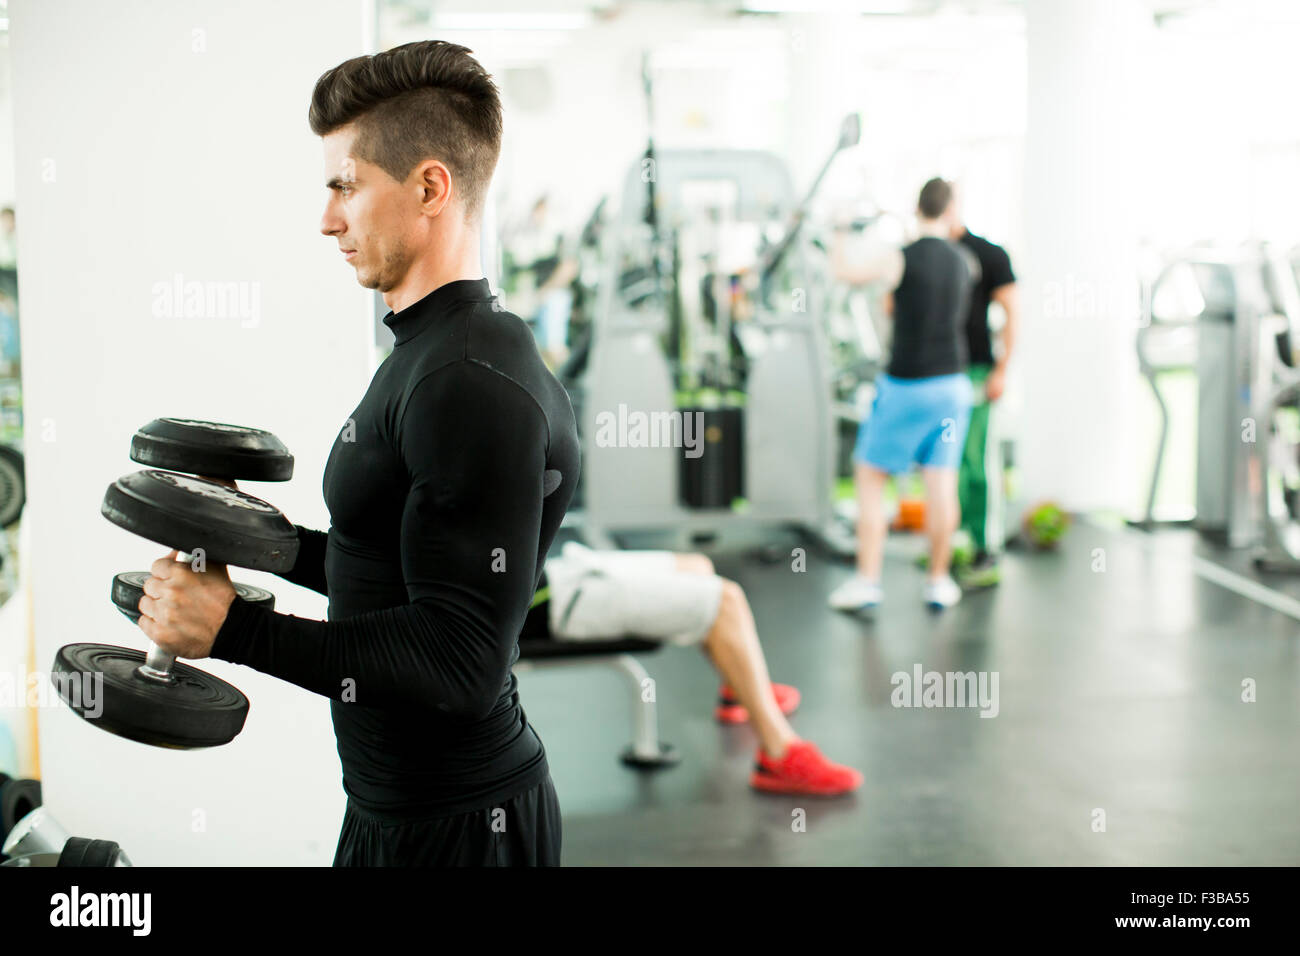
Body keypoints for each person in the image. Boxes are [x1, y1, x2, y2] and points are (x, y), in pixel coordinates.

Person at [136, 41, 575, 866]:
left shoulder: (469, 379)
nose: (328, 217)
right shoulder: (428, 354)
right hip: (392, 809)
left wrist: (234, 632)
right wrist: (260, 541)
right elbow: (388, 573)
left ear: (430, 186)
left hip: (460, 829)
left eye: (346, 185)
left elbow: (458, 663)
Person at [527, 541, 862, 796]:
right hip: (542, 600)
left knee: (698, 565)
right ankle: (779, 754)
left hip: (553, 569)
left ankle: (742, 688)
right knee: (725, 601)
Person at [827, 178, 974, 610]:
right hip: (952, 386)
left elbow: (845, 273)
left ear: (918, 208)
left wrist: (840, 230)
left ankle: (868, 582)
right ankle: (939, 581)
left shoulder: (900, 258)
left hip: (908, 385)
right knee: (941, 485)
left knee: (871, 480)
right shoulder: (964, 261)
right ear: (949, 211)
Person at [948, 187, 1018, 588]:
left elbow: (1014, 313)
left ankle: (985, 547)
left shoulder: (989, 254)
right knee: (945, 464)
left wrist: (1002, 370)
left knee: (977, 460)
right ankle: (952, 541)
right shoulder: (926, 253)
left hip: (976, 371)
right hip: (938, 374)